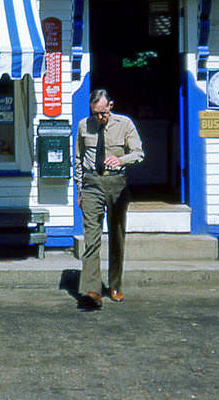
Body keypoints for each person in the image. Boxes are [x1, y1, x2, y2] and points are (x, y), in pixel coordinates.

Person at [75, 89, 144, 308]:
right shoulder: (83, 126)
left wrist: (122, 160)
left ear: (110, 106)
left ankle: (115, 285)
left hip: (116, 185)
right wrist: (80, 189)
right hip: (91, 184)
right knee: (91, 238)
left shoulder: (125, 124)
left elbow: (139, 153)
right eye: (95, 113)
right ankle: (92, 289)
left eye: (103, 113)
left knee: (116, 235)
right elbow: (78, 159)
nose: (99, 118)